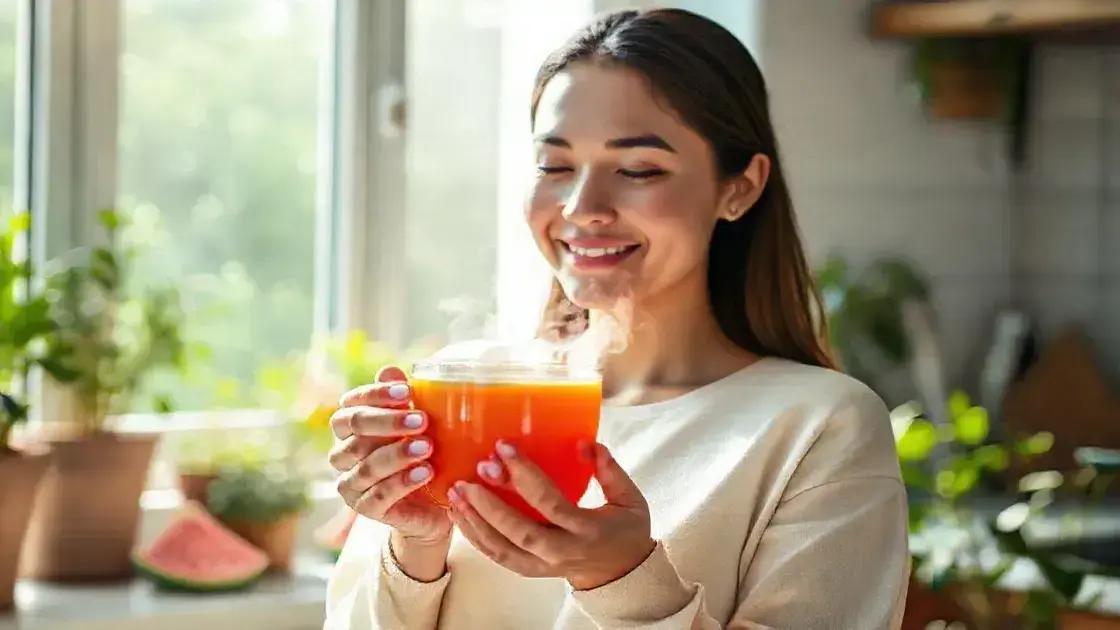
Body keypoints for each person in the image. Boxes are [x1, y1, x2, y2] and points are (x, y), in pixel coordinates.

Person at [325, 8, 909, 630]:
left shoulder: (820, 427)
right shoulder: (471, 387)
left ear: (738, 187)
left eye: (638, 170)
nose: (583, 208)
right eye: (554, 166)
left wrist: (624, 582)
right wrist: (414, 548)